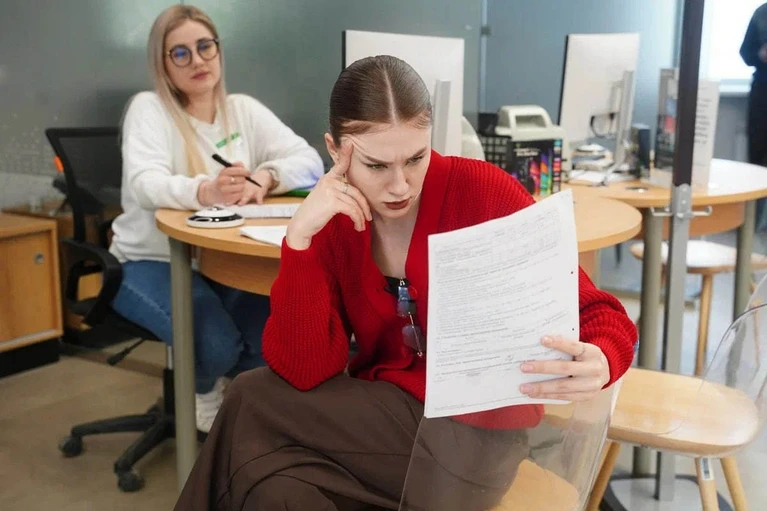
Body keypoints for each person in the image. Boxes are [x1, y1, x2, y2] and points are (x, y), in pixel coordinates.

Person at [175, 56, 637, 510]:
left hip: (474, 444)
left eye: (416, 158)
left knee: (249, 398)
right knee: (274, 486)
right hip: (381, 425)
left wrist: (602, 358)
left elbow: (599, 313)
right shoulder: (335, 220)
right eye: (377, 165)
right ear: (335, 150)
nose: (400, 185)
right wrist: (300, 240)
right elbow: (304, 370)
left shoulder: (482, 192)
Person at [108, 4, 324, 432]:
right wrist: (204, 190)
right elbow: (144, 184)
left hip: (216, 258)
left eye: (204, 46)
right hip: (150, 260)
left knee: (270, 336)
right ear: (163, 64)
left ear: (219, 50)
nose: (197, 60)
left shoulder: (241, 109)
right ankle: (202, 392)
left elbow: (310, 161)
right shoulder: (148, 108)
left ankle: (225, 390)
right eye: (180, 53)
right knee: (216, 345)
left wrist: (266, 176)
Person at [740, 2, 767, 230]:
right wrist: (761, 54)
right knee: (757, 159)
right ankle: (751, 222)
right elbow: (746, 53)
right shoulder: (762, 13)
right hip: (762, 92)